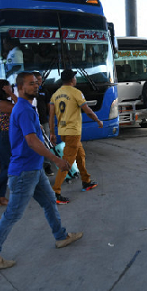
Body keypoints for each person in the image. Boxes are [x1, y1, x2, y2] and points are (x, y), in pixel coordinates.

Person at [0, 72, 82, 270]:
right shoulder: (24, 110)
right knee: (12, 215)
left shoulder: (24, 106)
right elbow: (32, 140)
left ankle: (61, 236)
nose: (35, 86)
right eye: (30, 84)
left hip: (33, 169)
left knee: (50, 202)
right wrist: (56, 159)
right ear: (20, 87)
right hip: (24, 172)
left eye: (36, 83)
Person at [49, 69, 102, 205]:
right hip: (73, 131)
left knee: (80, 155)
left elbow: (51, 116)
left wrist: (52, 132)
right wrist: (98, 120)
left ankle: (86, 181)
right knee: (66, 162)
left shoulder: (56, 94)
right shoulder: (76, 92)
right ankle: (56, 192)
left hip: (63, 131)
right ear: (72, 79)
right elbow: (87, 110)